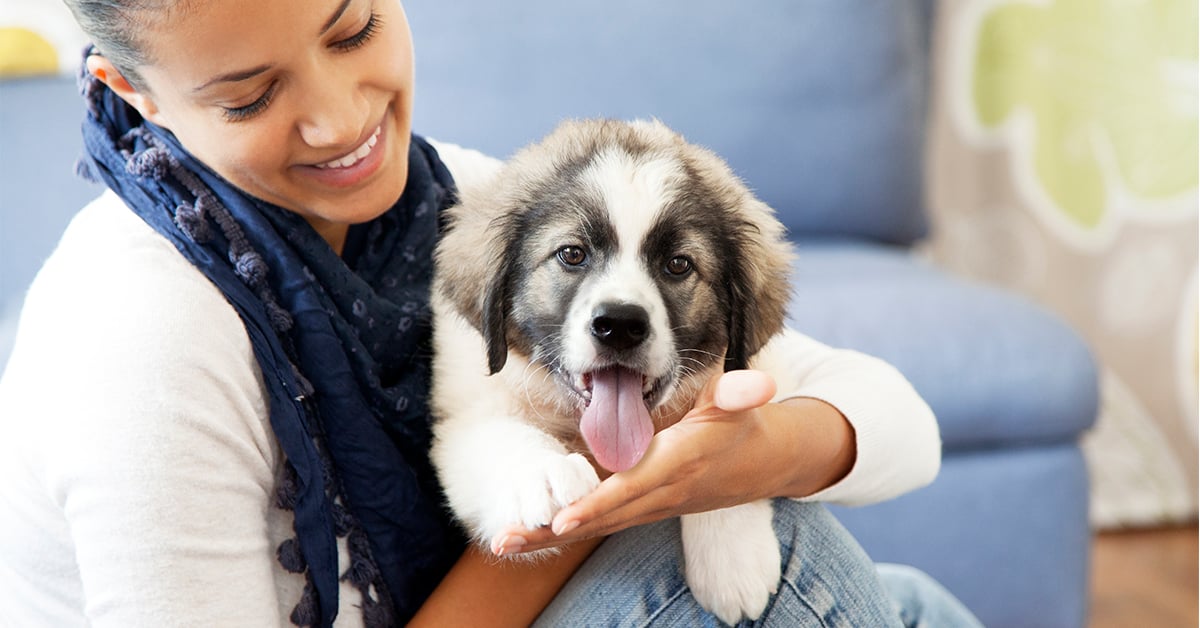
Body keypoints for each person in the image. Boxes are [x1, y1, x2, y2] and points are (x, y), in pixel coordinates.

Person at [0, 0, 983, 626]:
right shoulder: (141, 331)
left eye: (351, 30)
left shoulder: (464, 203)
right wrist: (611, 495)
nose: (341, 119)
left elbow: (901, 425)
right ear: (133, 91)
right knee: (784, 565)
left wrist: (748, 454)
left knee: (914, 608)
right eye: (251, 94)